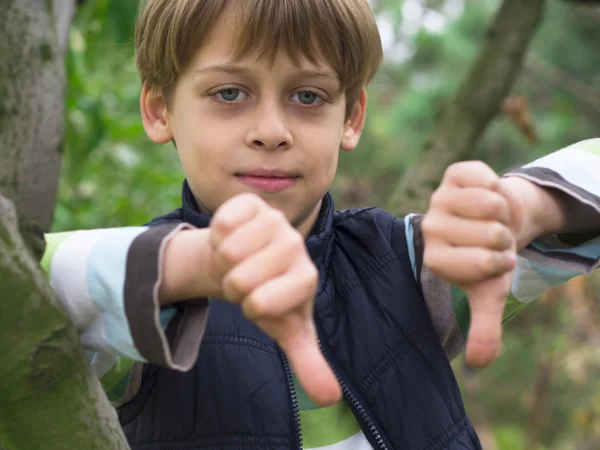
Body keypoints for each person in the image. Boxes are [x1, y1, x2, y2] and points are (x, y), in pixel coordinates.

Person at [41, 0, 600, 449]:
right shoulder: (142, 302)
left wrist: (527, 207)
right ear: (160, 108)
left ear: (351, 118)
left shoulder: (411, 269)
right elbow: (22, 279)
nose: (271, 130)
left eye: (308, 96)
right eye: (228, 92)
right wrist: (192, 263)